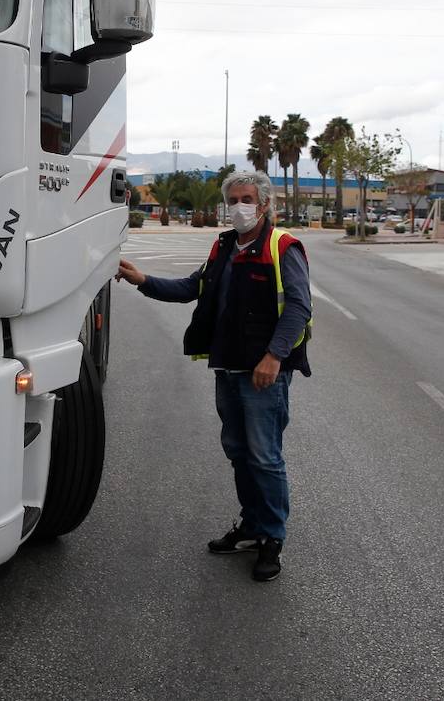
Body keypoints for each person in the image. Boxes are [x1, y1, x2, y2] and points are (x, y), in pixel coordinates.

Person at [116, 170, 312, 582]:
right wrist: (143, 281)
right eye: (234, 199)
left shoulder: (282, 246)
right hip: (228, 367)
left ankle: (271, 537)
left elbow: (298, 307)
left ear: (263, 204)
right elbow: (192, 287)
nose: (239, 206)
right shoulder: (223, 246)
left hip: (264, 373)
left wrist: (275, 357)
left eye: (247, 198)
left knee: (265, 455)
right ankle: (252, 526)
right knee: (239, 451)